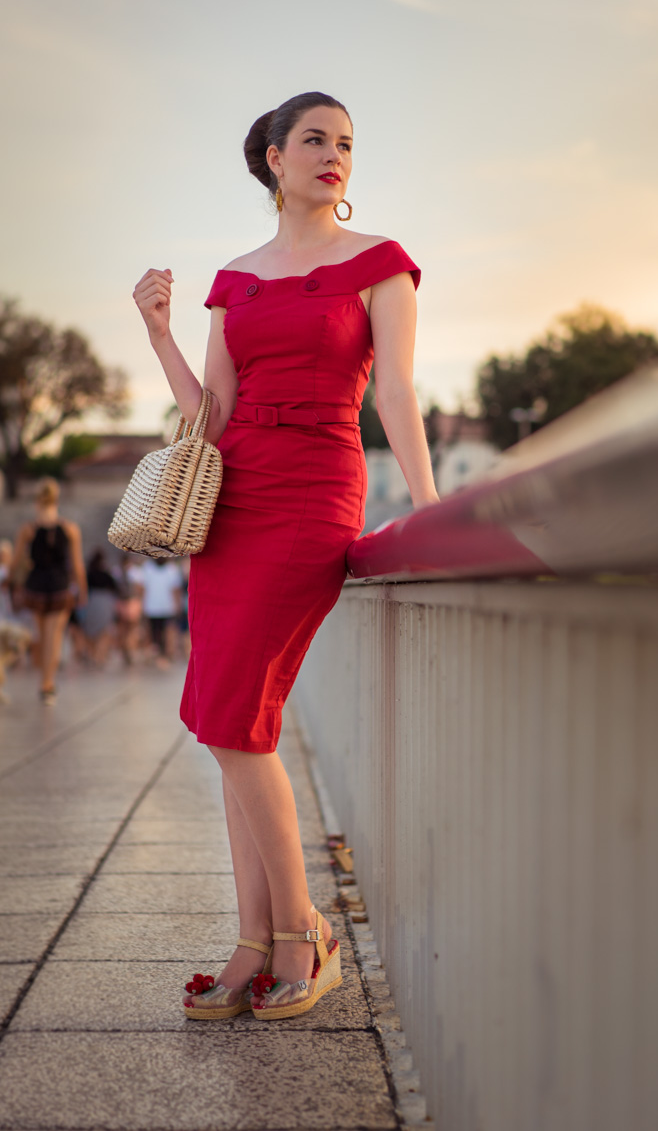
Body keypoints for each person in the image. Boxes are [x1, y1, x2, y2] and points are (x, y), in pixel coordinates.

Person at [133, 91, 439, 1022]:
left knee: (234, 722)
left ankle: (305, 931)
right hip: (232, 494)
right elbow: (209, 416)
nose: (333, 155)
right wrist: (159, 332)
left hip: (313, 490)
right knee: (232, 721)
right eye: (314, 140)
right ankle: (253, 941)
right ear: (272, 156)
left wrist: (426, 507)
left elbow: (394, 392)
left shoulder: (380, 265)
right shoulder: (236, 278)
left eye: (346, 144)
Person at [11, 478, 87, 703]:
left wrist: (12, 583)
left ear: (37, 501)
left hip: (35, 587)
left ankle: (43, 681)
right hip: (60, 587)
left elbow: (15, 563)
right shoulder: (70, 529)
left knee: (42, 637)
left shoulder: (28, 530)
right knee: (54, 638)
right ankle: (48, 684)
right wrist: (82, 590)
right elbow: (77, 565)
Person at [139, 558, 183, 668]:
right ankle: (157, 655)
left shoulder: (170, 568)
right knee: (154, 633)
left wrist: (177, 605)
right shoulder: (149, 567)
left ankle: (163, 655)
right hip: (154, 607)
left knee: (163, 633)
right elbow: (142, 589)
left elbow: (175, 590)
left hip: (164, 607)